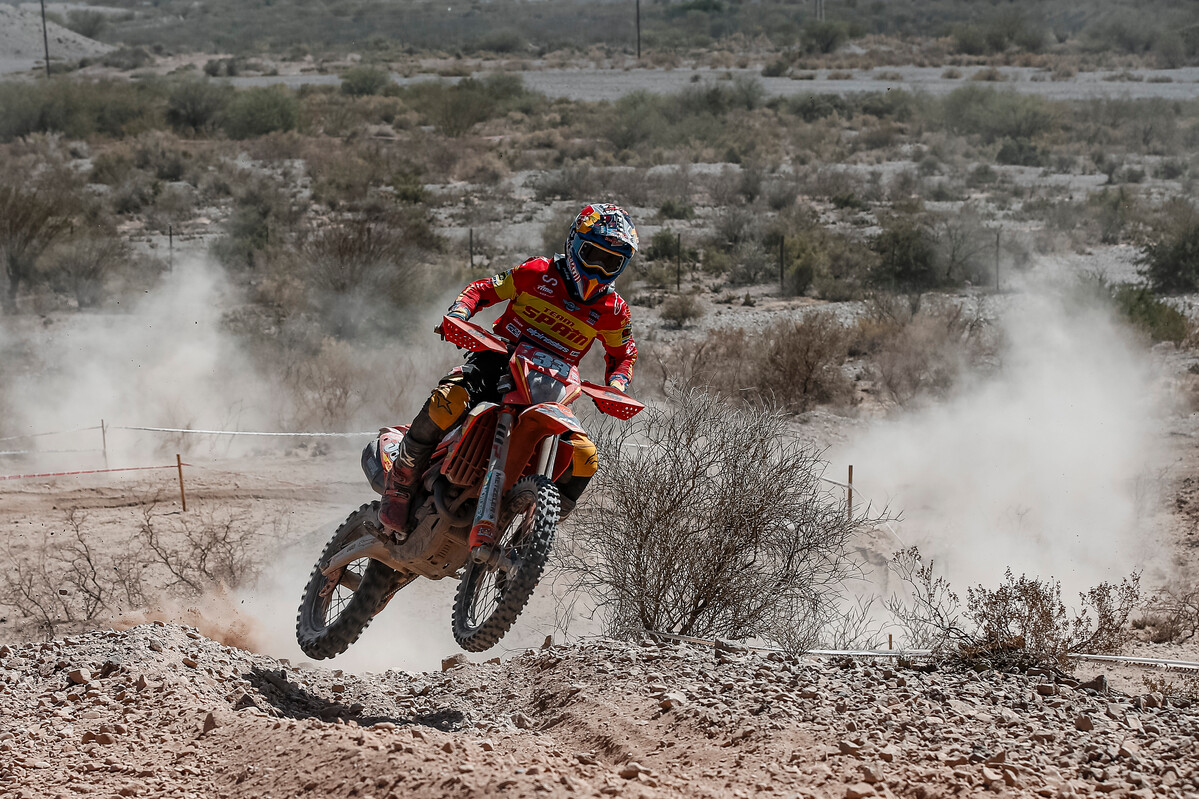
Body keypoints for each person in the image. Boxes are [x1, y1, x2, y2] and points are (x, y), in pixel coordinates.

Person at [378, 203, 640, 535]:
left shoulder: (614, 311)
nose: (599, 269)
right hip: (499, 360)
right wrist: (459, 314)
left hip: (552, 388)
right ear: (575, 244)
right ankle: (401, 481)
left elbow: (623, 356)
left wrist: (616, 385)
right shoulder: (538, 272)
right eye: (593, 256)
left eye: (611, 262)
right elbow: (482, 290)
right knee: (450, 398)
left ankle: (532, 537)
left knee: (585, 457)